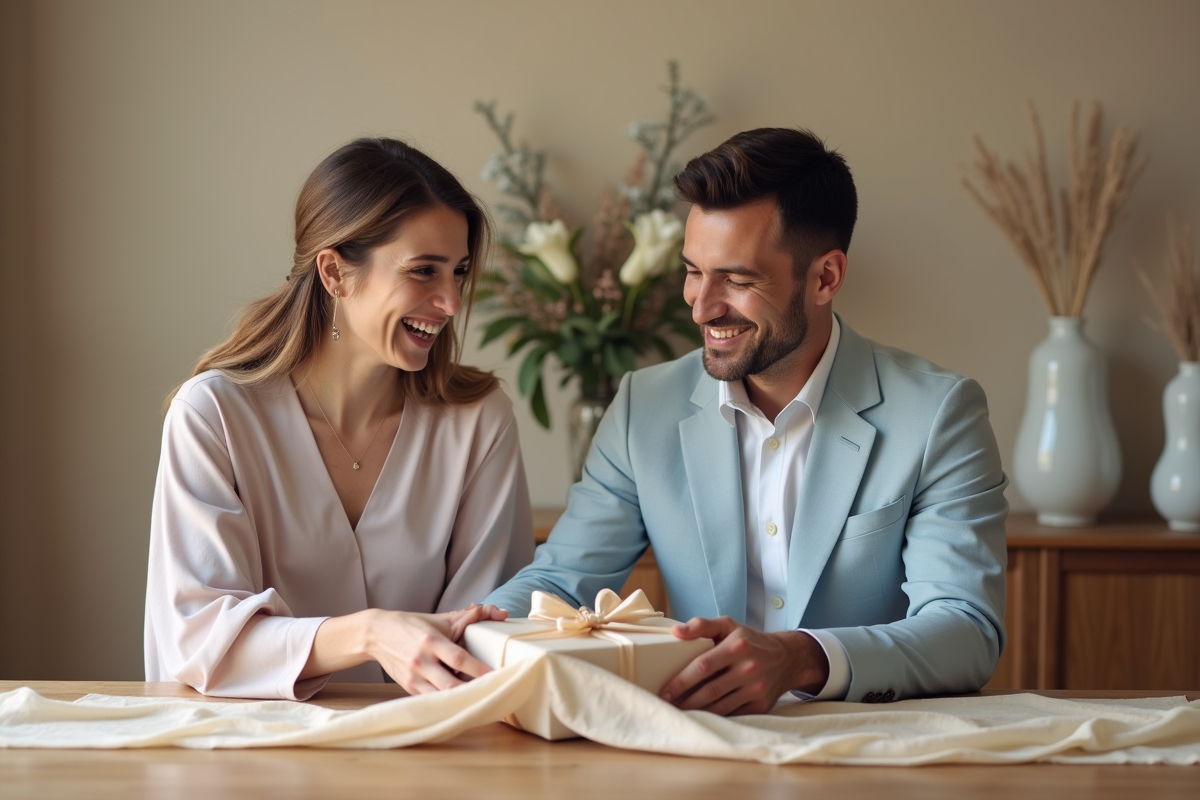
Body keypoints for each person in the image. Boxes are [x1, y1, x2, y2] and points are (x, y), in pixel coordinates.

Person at [485, 127, 1008, 714]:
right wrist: (472, 628)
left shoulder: (940, 414)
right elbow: (559, 583)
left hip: (871, 746)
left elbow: (966, 630)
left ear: (825, 277)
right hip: (701, 743)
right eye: (692, 271)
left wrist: (800, 656)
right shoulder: (641, 407)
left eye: (736, 279)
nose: (702, 306)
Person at [145, 138, 533, 700]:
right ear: (334, 273)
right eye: (423, 271)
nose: (450, 301)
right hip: (241, 758)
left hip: (426, 754)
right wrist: (371, 634)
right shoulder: (213, 417)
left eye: (459, 271)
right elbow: (198, 641)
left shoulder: (478, 423)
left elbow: (487, 633)